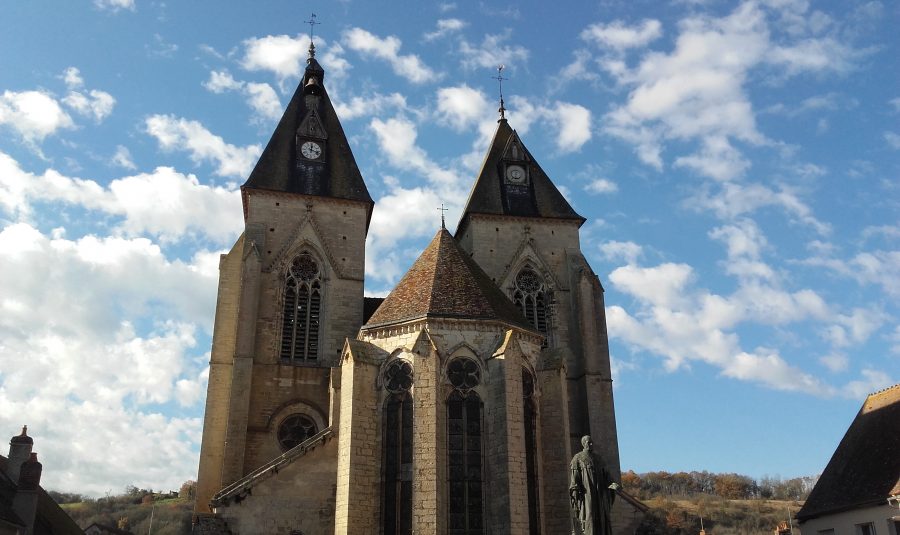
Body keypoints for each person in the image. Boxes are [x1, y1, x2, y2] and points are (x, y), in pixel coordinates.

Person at [569, 435, 618, 535]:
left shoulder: (599, 459)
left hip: (600, 495)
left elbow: (607, 476)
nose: (591, 444)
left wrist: (613, 484)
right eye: (588, 442)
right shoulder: (578, 458)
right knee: (589, 516)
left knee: (602, 518)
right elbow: (575, 479)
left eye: (592, 442)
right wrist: (575, 491)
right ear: (583, 444)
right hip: (587, 494)